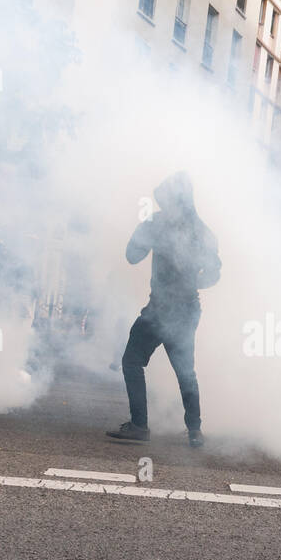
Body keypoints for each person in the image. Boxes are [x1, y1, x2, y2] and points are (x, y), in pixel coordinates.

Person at [107, 173, 221, 448]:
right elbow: (214, 274)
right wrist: (192, 282)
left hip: (160, 309)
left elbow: (132, 256)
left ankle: (139, 426)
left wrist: (143, 233)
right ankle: (194, 432)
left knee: (132, 360)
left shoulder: (157, 224)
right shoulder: (203, 230)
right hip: (188, 308)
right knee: (186, 371)